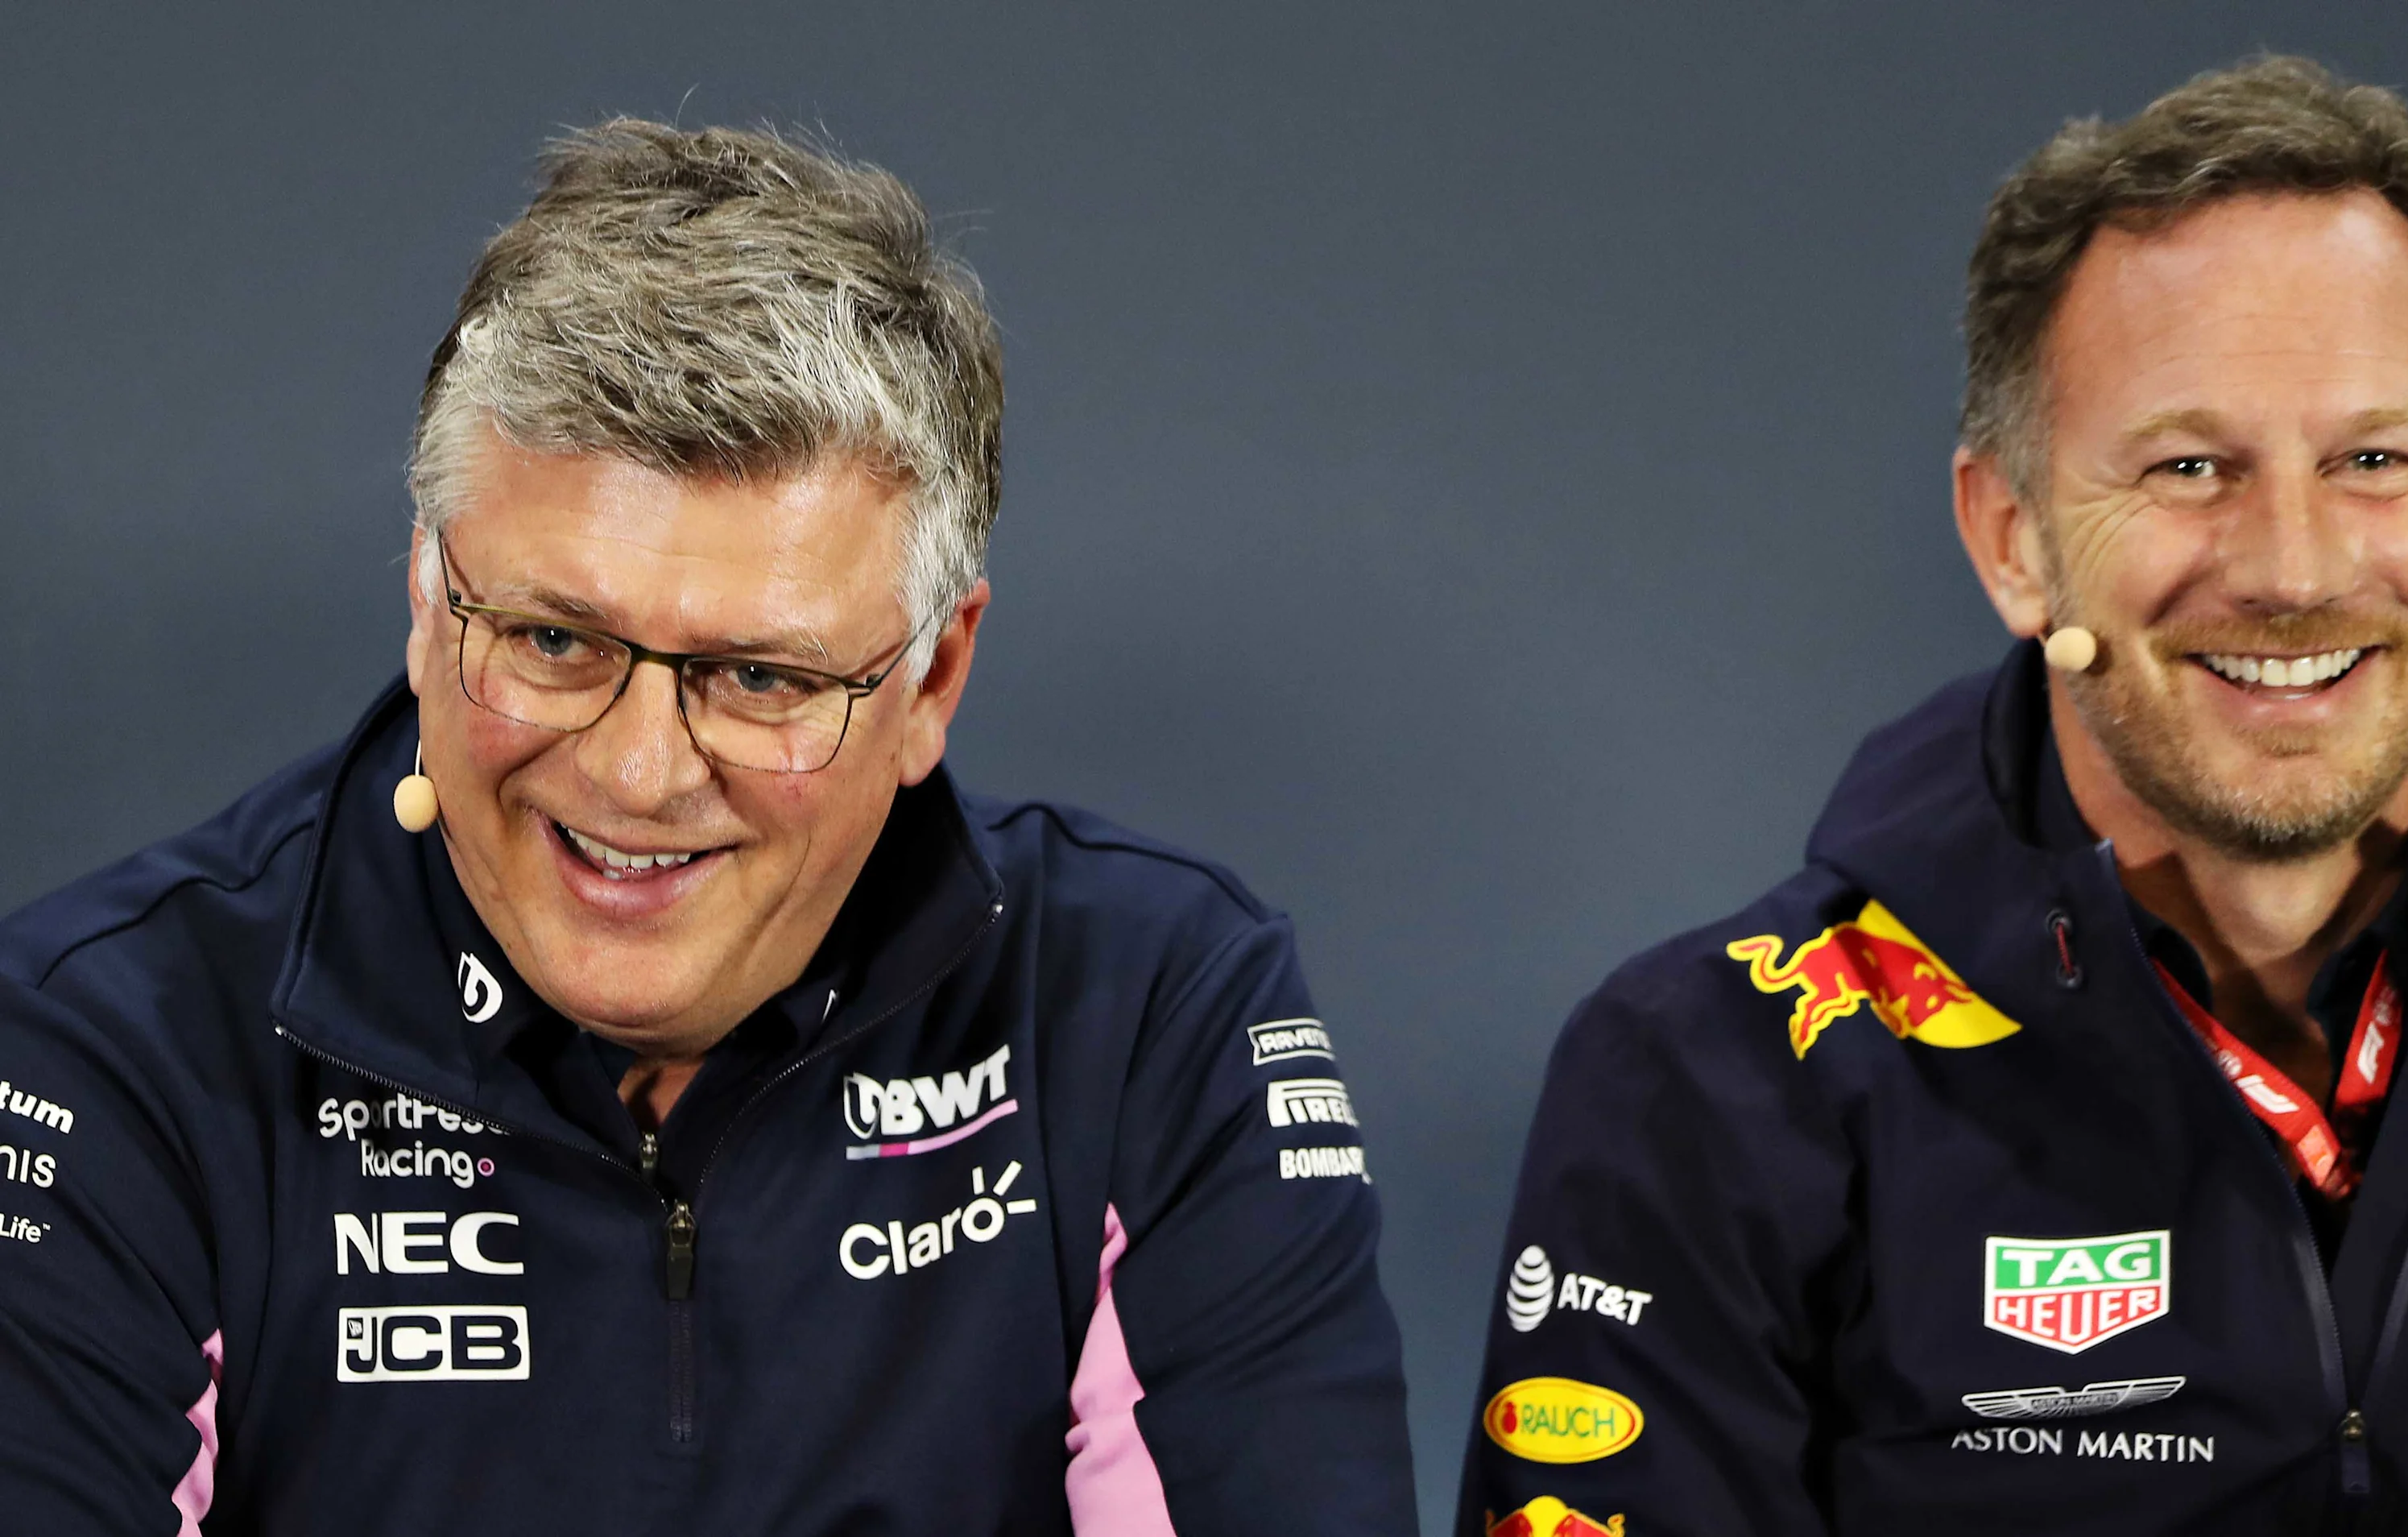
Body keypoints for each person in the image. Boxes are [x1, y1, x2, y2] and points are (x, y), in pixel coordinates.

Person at [0, 120, 1413, 1535]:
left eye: (761, 677)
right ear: (429, 602)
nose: (636, 771)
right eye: (554, 639)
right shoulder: (108, 1045)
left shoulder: (1146, 1007)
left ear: (934, 677)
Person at [1460, 56, 2408, 1535]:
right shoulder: (1713, 1081)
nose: (2294, 568)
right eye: (2190, 466)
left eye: (2375, 459)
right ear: (2012, 539)